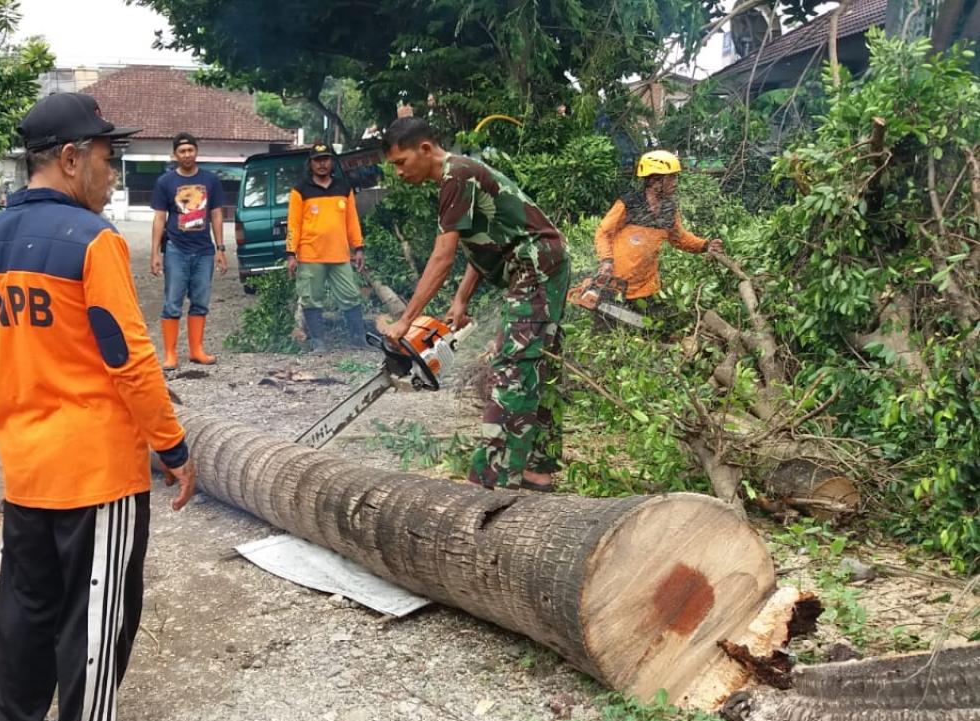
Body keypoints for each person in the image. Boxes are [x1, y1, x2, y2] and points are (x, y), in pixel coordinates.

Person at [0, 91, 196, 721]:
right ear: (69, 158)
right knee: (97, 621)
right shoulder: (94, 241)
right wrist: (171, 445)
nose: (111, 175)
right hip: (96, 473)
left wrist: (9, 427)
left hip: (26, 467)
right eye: (105, 159)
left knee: (26, 612)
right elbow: (129, 355)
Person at [380, 117, 570, 493]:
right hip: (538, 262)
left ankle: (492, 480)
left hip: (535, 263)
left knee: (513, 365)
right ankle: (537, 468)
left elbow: (442, 258)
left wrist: (405, 321)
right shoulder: (458, 178)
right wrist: (461, 298)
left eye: (401, 163)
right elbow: (482, 244)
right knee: (538, 364)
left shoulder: (457, 175)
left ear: (425, 149)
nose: (399, 173)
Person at [567, 150, 723, 325]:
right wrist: (606, 261)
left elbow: (681, 238)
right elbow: (603, 233)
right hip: (615, 286)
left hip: (647, 289)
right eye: (671, 178)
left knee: (650, 334)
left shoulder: (669, 211)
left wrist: (706, 245)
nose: (675, 183)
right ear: (655, 181)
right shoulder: (629, 204)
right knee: (607, 340)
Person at [148, 132, 227, 369]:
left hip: (204, 250)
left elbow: (216, 214)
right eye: (181, 151)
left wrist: (220, 248)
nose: (186, 155)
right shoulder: (165, 182)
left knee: (200, 301)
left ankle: (196, 350)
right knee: (172, 302)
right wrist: (155, 253)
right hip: (176, 249)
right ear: (175, 155)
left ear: (196, 151)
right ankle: (170, 354)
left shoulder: (210, 181)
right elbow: (159, 218)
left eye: (190, 150)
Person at [285, 142, 367, 351]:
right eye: (317, 160)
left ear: (332, 162)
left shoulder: (344, 188)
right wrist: (291, 254)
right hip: (310, 255)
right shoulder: (300, 190)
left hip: (340, 255)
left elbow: (352, 221)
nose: (322, 164)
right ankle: (319, 343)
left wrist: (358, 248)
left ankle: (359, 340)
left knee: (351, 296)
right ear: (310, 163)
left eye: (326, 159)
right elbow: (293, 225)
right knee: (312, 300)